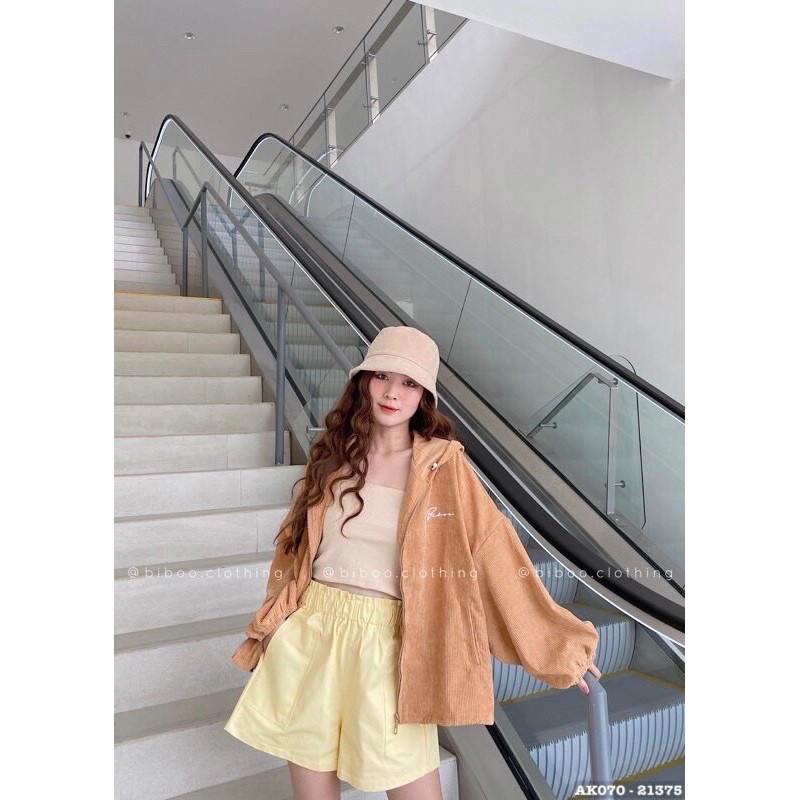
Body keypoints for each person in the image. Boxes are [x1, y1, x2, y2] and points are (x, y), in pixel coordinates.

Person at [224, 326, 602, 799]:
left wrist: (558, 648)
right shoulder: (333, 457)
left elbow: (494, 554)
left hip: (391, 645)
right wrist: (273, 623)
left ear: (424, 396)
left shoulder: (443, 467)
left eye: (408, 383)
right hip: (311, 634)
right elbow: (292, 550)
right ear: (364, 382)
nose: (392, 392)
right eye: (382, 376)